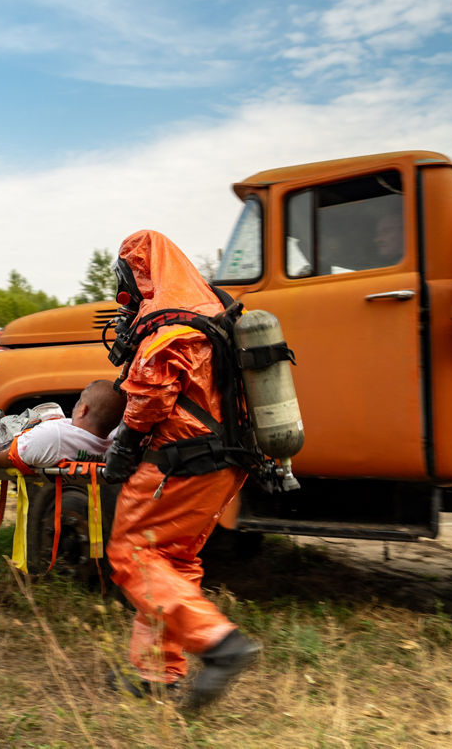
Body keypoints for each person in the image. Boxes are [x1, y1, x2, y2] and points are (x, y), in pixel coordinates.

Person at [101, 229, 261, 709]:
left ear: (144, 274)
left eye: (128, 279)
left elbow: (150, 393)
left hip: (179, 461)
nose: (125, 294)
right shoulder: (215, 314)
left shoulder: (170, 325)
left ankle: (219, 643)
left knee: (132, 555)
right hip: (226, 463)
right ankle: (157, 674)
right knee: (172, 562)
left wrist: (124, 446)